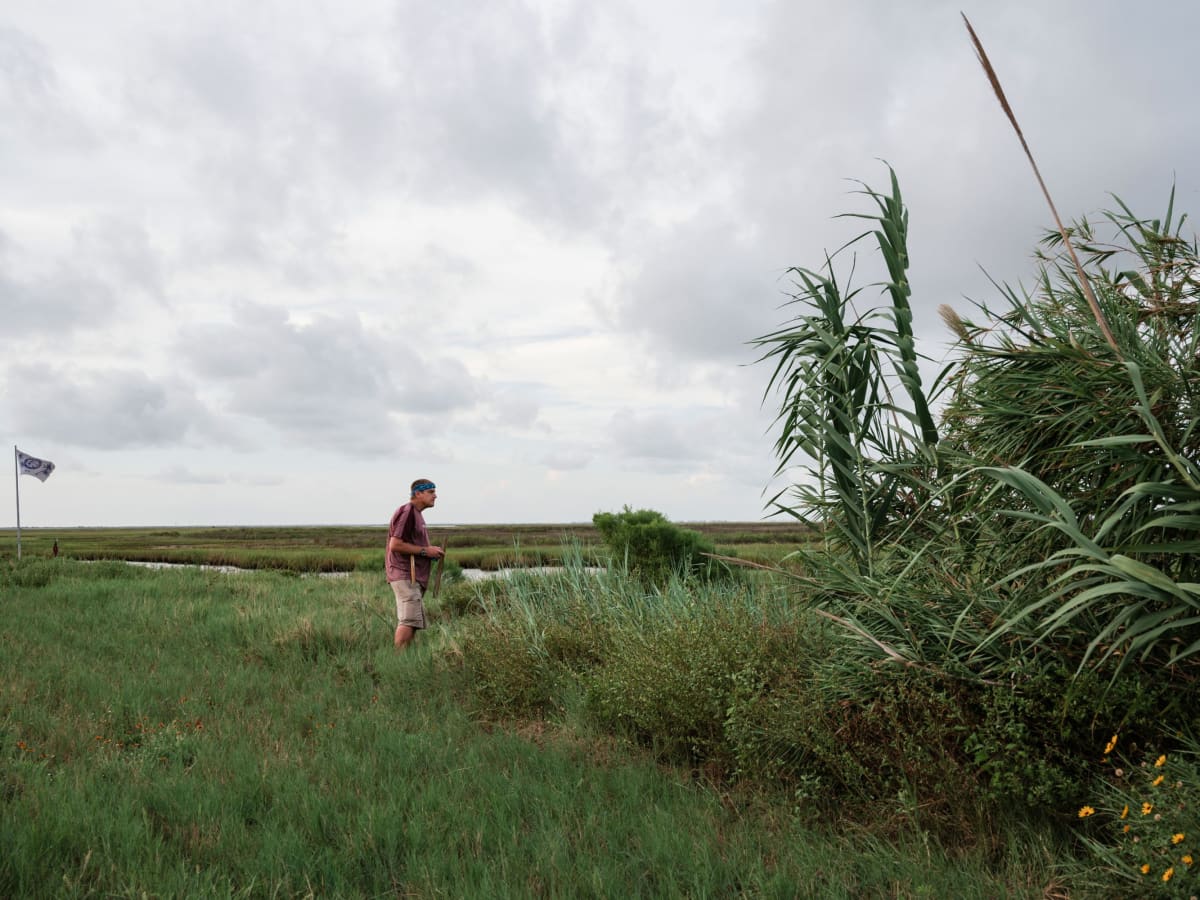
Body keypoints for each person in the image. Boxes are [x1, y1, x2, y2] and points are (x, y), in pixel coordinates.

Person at [385, 478, 445, 651]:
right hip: (404, 574)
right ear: (418, 493)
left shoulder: (417, 514)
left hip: (412, 577)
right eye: (431, 492)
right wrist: (426, 551)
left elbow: (413, 546)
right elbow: (395, 545)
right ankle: (398, 662)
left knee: (413, 622)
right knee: (408, 620)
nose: (436, 496)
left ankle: (404, 660)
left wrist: (430, 552)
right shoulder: (407, 511)